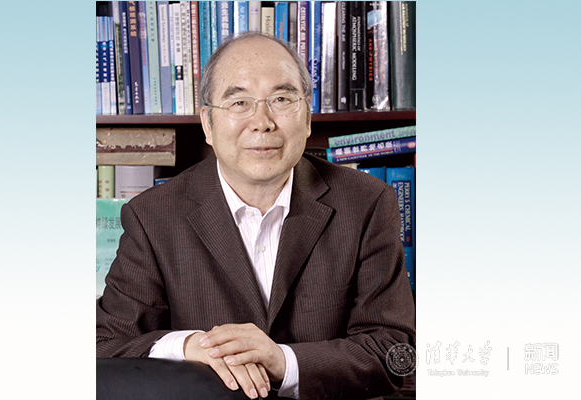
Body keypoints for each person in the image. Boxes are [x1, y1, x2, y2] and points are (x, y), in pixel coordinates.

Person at [96, 32, 415, 400]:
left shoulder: (367, 202)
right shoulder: (153, 216)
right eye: (239, 103)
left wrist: (284, 361)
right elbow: (105, 344)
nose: (262, 122)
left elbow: (396, 354)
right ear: (208, 123)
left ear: (307, 118)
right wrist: (189, 347)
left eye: (281, 99)